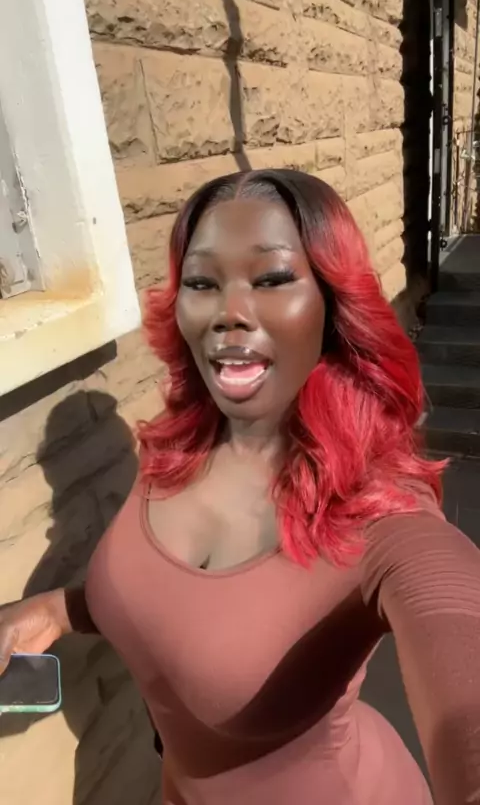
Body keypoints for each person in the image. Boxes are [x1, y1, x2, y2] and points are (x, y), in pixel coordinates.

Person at [1, 169, 479, 805]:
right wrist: (58, 611)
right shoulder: (176, 450)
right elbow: (170, 598)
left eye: (272, 279)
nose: (228, 312)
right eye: (202, 282)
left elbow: (453, 624)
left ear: (333, 304)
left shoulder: (383, 514)